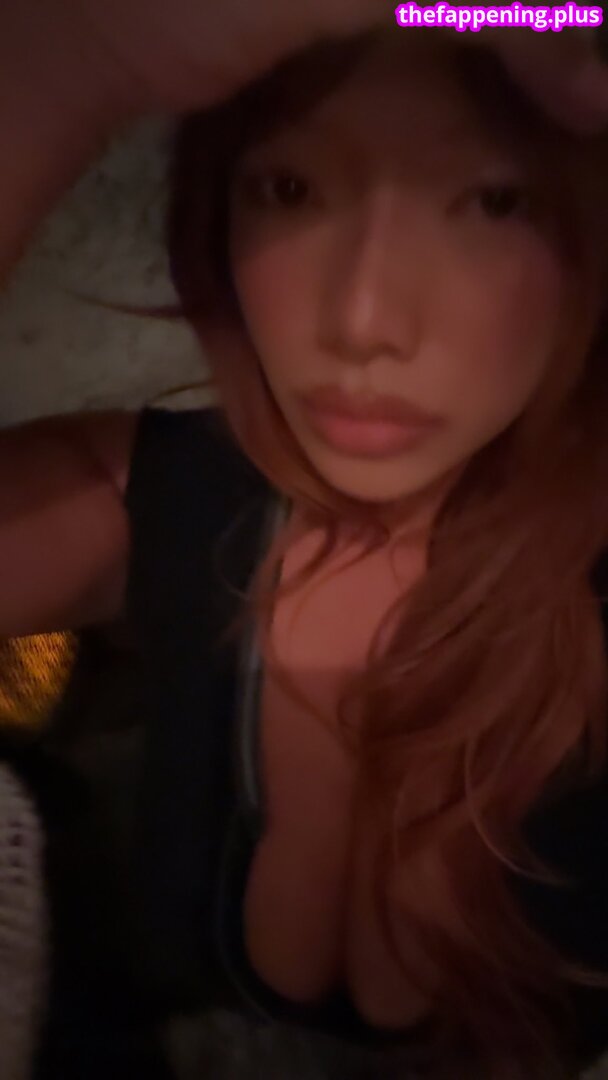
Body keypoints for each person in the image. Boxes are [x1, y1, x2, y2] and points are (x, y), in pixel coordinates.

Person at [2, 13, 608, 1080]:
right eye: (288, 188)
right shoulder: (169, 490)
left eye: (493, 200)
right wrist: (71, 64)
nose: (361, 319)